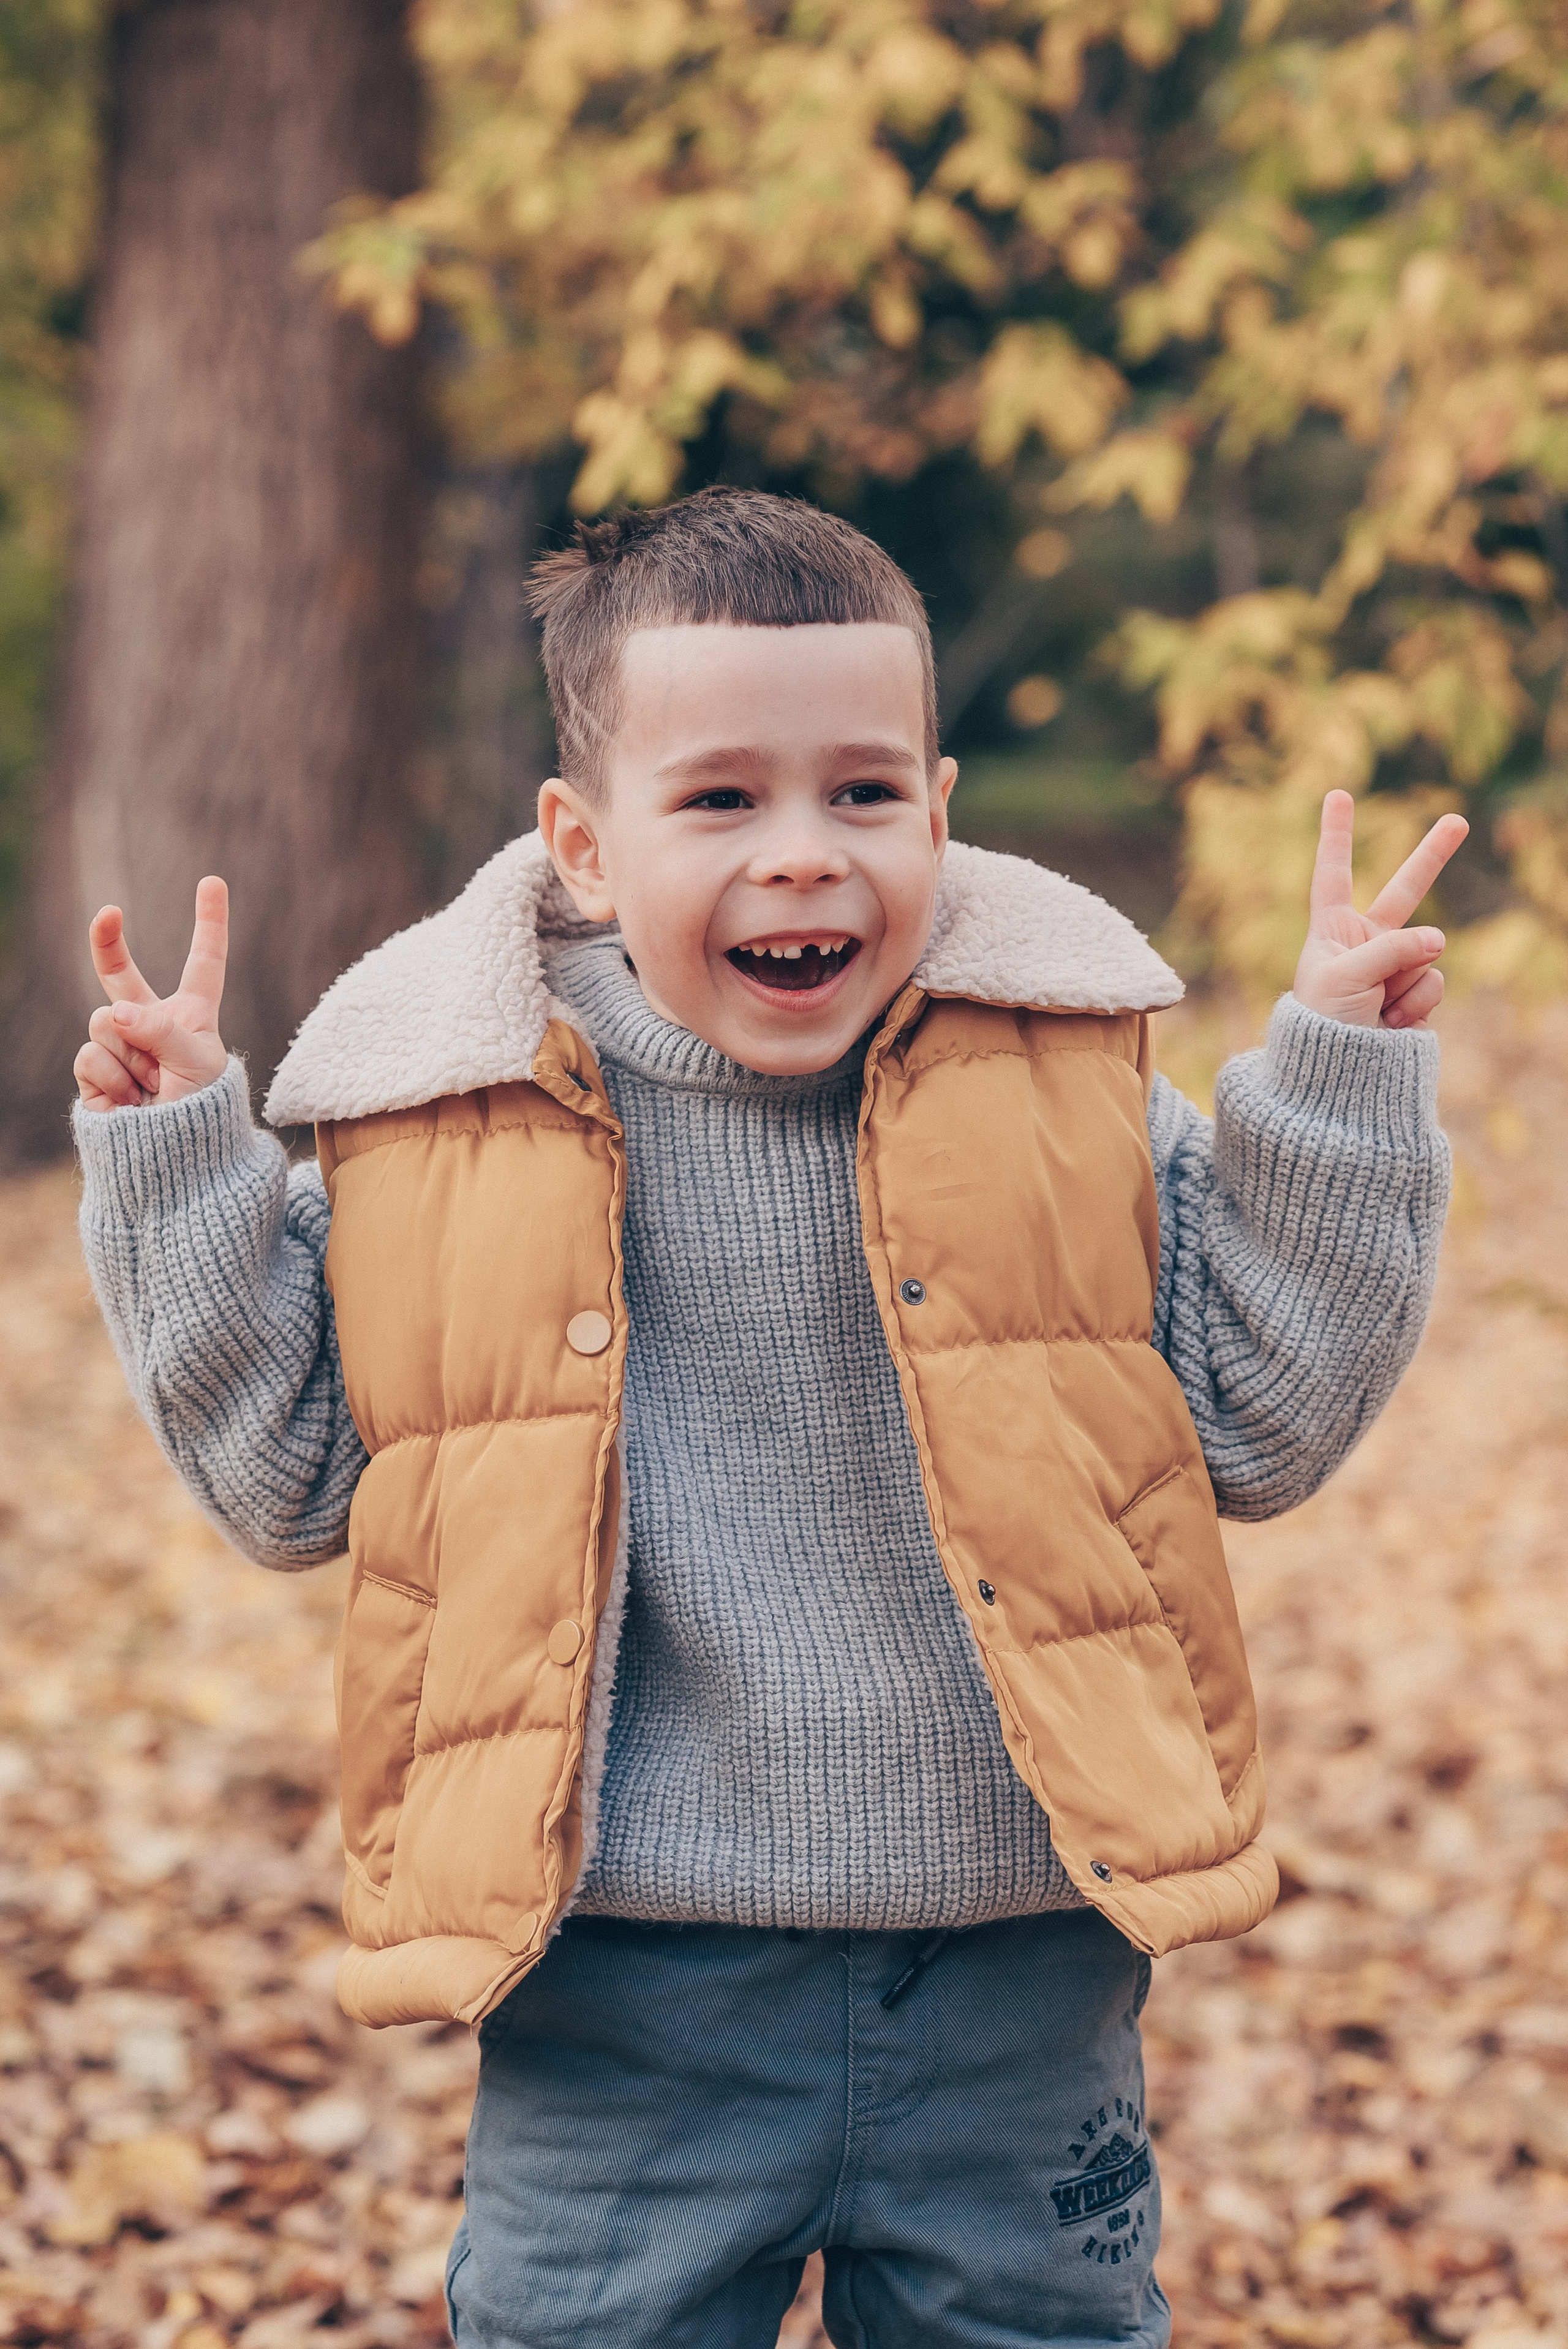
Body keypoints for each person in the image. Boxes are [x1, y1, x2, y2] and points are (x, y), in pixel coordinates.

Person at [72, 488, 1464, 2349]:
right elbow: (289, 1475)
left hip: (1015, 1967)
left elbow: (1262, 1420)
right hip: (619, 1984)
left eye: (863, 792)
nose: (804, 855)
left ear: (940, 814)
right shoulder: (446, 1127)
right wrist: (178, 1160)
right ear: (584, 845)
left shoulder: (1058, 1091)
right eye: (723, 798)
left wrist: (1343, 1078)